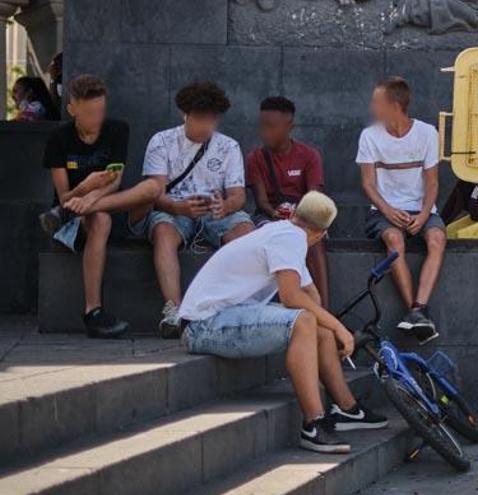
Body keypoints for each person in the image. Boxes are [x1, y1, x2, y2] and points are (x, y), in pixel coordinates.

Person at [178, 191, 387, 454]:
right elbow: (291, 297)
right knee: (303, 321)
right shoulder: (292, 238)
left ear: (295, 215)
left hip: (224, 317)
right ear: (321, 234)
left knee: (314, 324)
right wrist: (338, 327)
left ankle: (348, 409)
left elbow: (311, 295)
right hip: (203, 326)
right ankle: (314, 424)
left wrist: (327, 332)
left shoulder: (286, 233)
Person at [39, 74, 160, 338]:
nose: (96, 119)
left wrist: (91, 198)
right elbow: (64, 198)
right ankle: (93, 310)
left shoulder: (117, 130)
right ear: (72, 110)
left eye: (100, 111)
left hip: (100, 203)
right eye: (89, 113)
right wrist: (84, 187)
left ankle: (77, 212)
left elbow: (115, 182)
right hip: (72, 214)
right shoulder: (58, 139)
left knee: (151, 188)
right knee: (101, 219)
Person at [143, 81, 255, 337]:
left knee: (246, 233)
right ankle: (173, 310)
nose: (207, 126)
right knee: (162, 232)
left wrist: (224, 205)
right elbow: (155, 193)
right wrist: (178, 207)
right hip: (175, 208)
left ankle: (239, 307)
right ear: (186, 115)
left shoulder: (229, 146)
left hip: (216, 212)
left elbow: (238, 196)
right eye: (200, 119)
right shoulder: (162, 142)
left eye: (212, 120)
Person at [357, 77, 445, 344]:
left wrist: (423, 214)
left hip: (421, 208)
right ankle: (415, 311)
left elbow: (432, 182)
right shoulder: (369, 136)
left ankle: (419, 308)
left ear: (394, 106)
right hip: (383, 210)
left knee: (437, 238)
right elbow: (368, 184)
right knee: (394, 241)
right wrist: (389, 210)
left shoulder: (427, 133)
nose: (372, 107)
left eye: (377, 101)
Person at [245, 96, 330, 308]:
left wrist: (299, 218)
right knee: (272, 239)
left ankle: (325, 310)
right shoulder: (255, 158)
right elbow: (262, 201)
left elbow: (314, 198)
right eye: (263, 125)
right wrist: (277, 215)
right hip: (269, 216)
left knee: (315, 240)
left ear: (289, 126)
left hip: (303, 215)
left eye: (271, 126)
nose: (265, 131)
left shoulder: (309, 156)